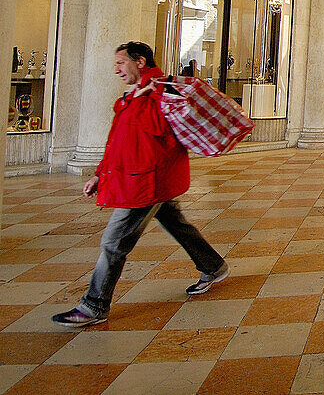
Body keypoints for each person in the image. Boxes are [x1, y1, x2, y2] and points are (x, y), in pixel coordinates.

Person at [52, 42, 227, 327]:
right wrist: (100, 173)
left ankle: (94, 305)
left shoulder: (162, 93)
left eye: (121, 63)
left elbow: (162, 137)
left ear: (141, 61)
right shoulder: (136, 93)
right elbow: (120, 139)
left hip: (148, 181)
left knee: (113, 242)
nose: (116, 69)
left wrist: (145, 99)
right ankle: (213, 266)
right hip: (141, 178)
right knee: (176, 224)